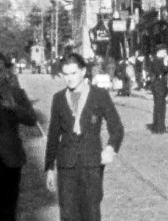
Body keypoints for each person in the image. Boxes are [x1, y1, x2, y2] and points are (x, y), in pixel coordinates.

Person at [44, 53, 124, 221]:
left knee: (91, 213)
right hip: (66, 165)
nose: (69, 79)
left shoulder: (99, 95)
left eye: (73, 73)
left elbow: (117, 128)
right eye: (66, 74)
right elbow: (53, 134)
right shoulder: (58, 99)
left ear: (83, 72)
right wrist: (50, 167)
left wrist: (110, 148)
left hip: (91, 164)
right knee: (68, 214)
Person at [0, 53, 37, 221]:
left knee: (9, 207)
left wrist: (14, 108)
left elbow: (31, 119)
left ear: (4, 71)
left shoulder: (15, 93)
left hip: (10, 159)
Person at [150, 44, 168, 134]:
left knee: (162, 105)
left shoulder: (162, 60)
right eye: (164, 51)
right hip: (157, 83)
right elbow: (159, 71)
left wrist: (167, 63)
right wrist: (165, 63)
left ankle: (160, 125)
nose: (166, 53)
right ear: (160, 52)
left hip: (162, 83)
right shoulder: (155, 60)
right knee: (159, 105)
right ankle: (159, 127)